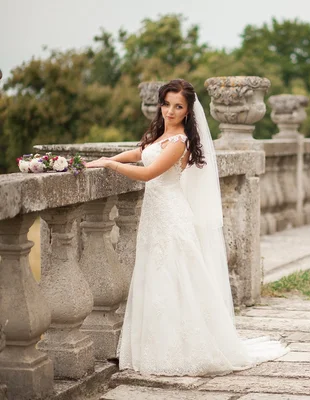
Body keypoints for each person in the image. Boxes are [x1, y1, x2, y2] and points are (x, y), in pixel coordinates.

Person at [86, 79, 288, 376]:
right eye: (166, 104)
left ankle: (183, 348)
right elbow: (139, 154)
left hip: (171, 213)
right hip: (155, 216)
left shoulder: (180, 141)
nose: (170, 111)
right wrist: (104, 160)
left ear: (187, 111)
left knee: (176, 275)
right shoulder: (159, 136)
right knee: (154, 276)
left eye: (177, 106)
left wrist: (108, 165)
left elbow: (149, 173)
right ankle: (154, 345)